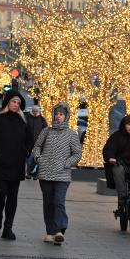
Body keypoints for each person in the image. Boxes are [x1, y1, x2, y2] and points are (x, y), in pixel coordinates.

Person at [0, 90, 33, 240]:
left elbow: (30, 140)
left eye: (18, 103)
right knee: (0, 192)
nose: (16, 105)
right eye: (13, 101)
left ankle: (8, 228)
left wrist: (26, 150)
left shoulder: (23, 121)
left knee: (12, 197)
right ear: (7, 102)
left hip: (16, 164)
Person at [32, 102, 82, 246]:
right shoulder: (46, 131)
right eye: (57, 114)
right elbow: (37, 147)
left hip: (62, 175)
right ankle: (50, 232)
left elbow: (77, 153)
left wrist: (67, 163)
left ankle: (60, 230)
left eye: (61, 114)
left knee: (58, 201)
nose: (58, 116)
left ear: (66, 116)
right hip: (45, 173)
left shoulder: (71, 134)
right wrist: (39, 159)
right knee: (48, 203)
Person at [26, 105, 47, 179]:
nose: (35, 112)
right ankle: (28, 174)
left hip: (39, 143)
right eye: (34, 111)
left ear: (38, 111)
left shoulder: (42, 119)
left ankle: (35, 174)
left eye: (36, 111)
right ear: (32, 111)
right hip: (29, 143)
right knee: (29, 159)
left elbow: (45, 131)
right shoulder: (27, 118)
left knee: (37, 160)